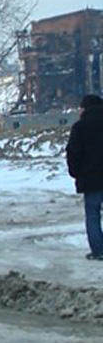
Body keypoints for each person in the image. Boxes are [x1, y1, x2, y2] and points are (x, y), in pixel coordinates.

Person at [67, 93, 103, 260]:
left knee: (93, 214)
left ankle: (98, 250)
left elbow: (73, 152)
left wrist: (75, 172)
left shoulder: (80, 127)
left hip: (91, 179)